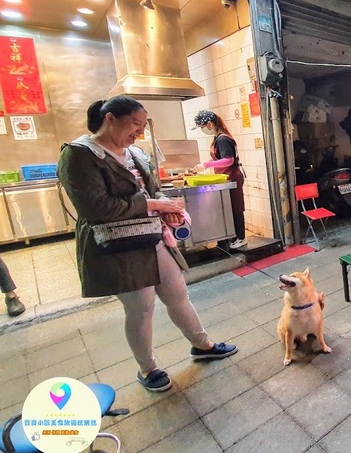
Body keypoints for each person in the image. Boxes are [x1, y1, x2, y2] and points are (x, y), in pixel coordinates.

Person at [58, 96, 237, 393]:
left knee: (177, 293)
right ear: (110, 118)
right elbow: (97, 208)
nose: (139, 132)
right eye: (135, 124)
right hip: (119, 248)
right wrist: (154, 204)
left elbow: (151, 191)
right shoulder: (79, 154)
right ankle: (148, 368)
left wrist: (168, 208)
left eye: (142, 126)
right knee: (141, 308)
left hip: (153, 238)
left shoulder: (134, 153)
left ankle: (202, 345)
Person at [193, 110, 247, 250]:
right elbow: (220, 158)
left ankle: (240, 238)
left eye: (202, 127)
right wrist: (206, 164)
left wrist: (207, 165)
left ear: (209, 124)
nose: (203, 130)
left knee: (235, 207)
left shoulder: (223, 139)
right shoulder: (217, 138)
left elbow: (228, 160)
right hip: (225, 178)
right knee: (228, 208)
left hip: (232, 177)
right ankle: (231, 237)